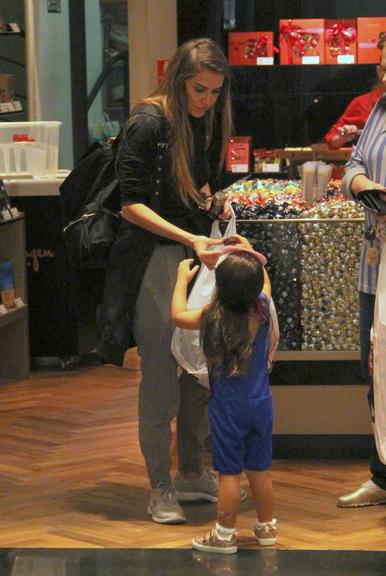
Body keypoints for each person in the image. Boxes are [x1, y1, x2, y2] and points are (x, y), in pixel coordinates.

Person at [97, 38, 239, 524]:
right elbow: (131, 205)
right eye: (200, 90)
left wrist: (210, 205)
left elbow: (189, 185)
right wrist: (192, 236)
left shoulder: (194, 122)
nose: (207, 100)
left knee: (201, 363)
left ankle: (192, 472)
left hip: (190, 251)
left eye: (216, 92)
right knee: (160, 371)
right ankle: (160, 485)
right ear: (178, 81)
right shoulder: (148, 121)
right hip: (155, 256)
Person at [171, 236, 277, 554]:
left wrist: (181, 279)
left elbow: (177, 316)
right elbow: (266, 285)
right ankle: (267, 528)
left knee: (228, 473)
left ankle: (225, 534)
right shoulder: (263, 310)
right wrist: (249, 252)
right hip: (262, 404)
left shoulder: (210, 317)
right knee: (260, 469)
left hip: (228, 408)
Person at [338, 37, 386, 508]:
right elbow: (353, 161)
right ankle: (383, 474)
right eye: (384, 68)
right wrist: (361, 183)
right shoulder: (379, 110)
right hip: (375, 268)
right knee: (374, 370)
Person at [324, 32, 386, 150]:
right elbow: (331, 140)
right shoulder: (363, 103)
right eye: (385, 69)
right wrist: (344, 136)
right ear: (379, 71)